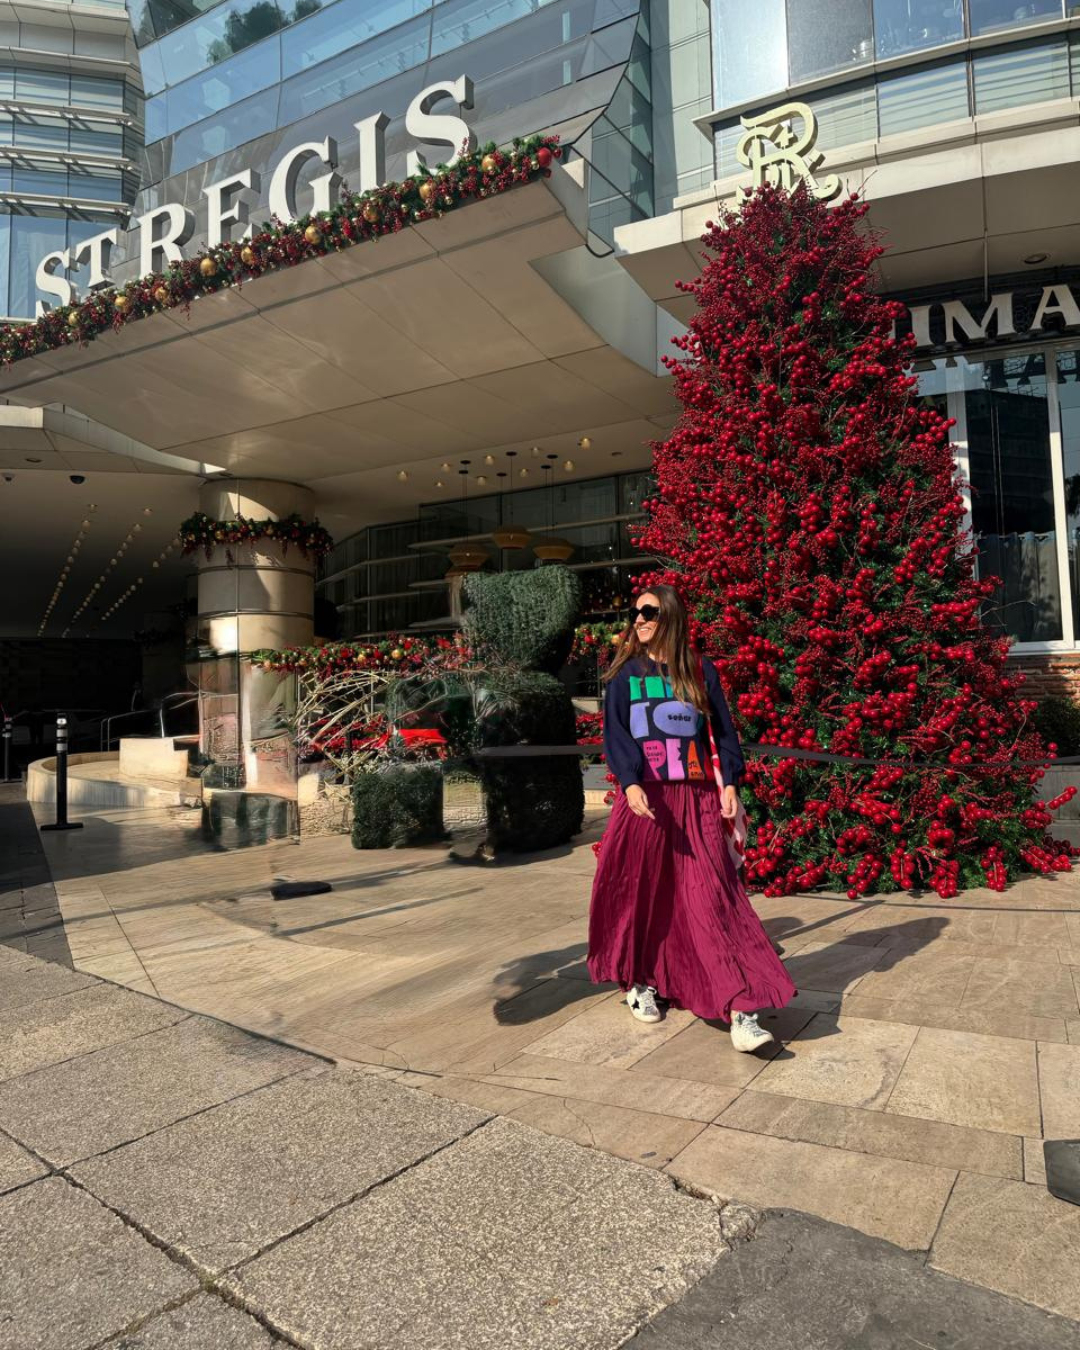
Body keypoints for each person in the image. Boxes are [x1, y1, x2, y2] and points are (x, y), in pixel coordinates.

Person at [588, 585, 796, 1052]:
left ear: (671, 617)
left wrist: (730, 783)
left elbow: (723, 730)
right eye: (635, 611)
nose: (639, 619)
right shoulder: (624, 676)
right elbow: (615, 734)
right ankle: (639, 981)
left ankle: (742, 1008)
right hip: (645, 799)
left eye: (649, 611)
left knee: (715, 896)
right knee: (637, 892)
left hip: (697, 798)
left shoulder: (700, 671)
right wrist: (631, 781)